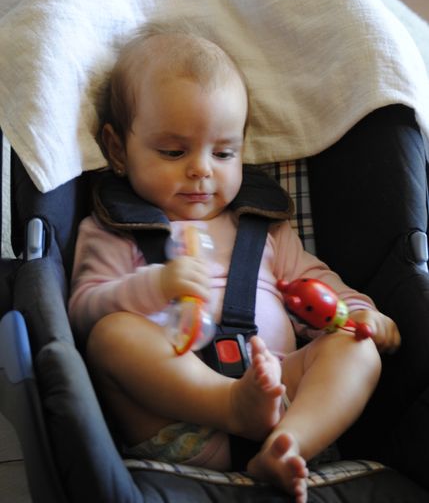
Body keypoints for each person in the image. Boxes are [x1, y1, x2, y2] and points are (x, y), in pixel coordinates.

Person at [69, 26, 401, 503]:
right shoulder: (114, 230)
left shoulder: (263, 229)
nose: (201, 169)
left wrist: (359, 312)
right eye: (173, 151)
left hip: (283, 399)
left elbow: (315, 285)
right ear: (119, 149)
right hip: (179, 421)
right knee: (110, 336)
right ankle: (231, 405)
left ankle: (290, 447)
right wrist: (154, 286)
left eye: (223, 152)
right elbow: (83, 311)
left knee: (356, 349)